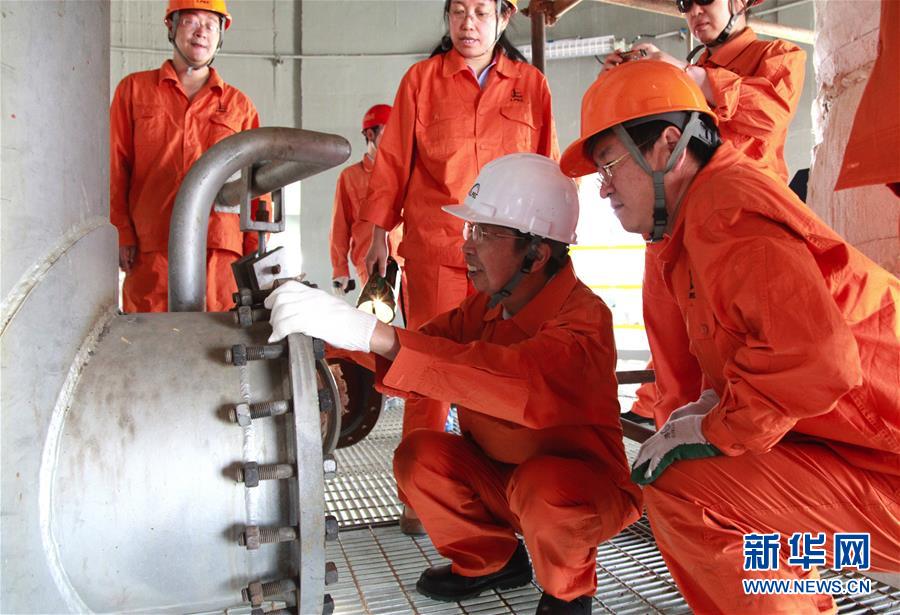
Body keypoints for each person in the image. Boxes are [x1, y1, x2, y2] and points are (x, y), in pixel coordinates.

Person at [560, 59, 899, 614]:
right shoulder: (703, 217)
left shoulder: (728, 213)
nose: (604, 190)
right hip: (869, 452)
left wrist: (714, 429)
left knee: (686, 489)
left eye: (610, 165)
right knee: (734, 476)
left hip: (885, 465)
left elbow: (821, 360)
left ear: (669, 146)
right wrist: (712, 408)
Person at [266, 154, 641, 615]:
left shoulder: (584, 320)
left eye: (485, 234)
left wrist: (371, 331)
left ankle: (568, 591)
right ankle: (493, 560)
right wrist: (333, 351)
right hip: (504, 483)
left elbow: (510, 378)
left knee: (542, 488)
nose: (467, 247)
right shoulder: (484, 308)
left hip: (579, 494)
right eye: (471, 230)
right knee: (419, 455)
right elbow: (424, 350)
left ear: (537, 254)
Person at [361, 0, 559, 448]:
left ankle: (498, 474)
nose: (468, 24)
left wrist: (551, 249)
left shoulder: (531, 85)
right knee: (427, 368)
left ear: (503, 18)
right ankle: (420, 479)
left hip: (510, 256)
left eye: (481, 13)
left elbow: (548, 167)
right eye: (458, 12)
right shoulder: (421, 81)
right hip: (437, 253)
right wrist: (377, 235)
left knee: (505, 370)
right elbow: (392, 164)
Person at [603, 0, 806, 427]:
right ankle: (672, 448)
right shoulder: (682, 72)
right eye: (684, 4)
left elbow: (770, 115)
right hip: (670, 231)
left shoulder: (778, 57)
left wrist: (690, 76)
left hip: (739, 237)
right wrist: (627, 83)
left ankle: (726, 452)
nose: (694, 12)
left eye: (704, 0)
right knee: (674, 370)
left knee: (738, 366)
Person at [110, 0, 263, 312]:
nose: (201, 32)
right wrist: (121, 232)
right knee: (150, 337)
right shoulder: (134, 91)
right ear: (171, 25)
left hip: (221, 253)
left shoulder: (240, 106)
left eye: (211, 25)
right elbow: (114, 166)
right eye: (191, 21)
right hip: (153, 248)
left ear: (221, 35)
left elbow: (258, 183)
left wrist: (254, 250)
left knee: (218, 339)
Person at [329, 104, 403, 295]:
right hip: (370, 266)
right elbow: (340, 227)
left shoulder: (403, 174)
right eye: (388, 133)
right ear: (370, 134)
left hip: (406, 263)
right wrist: (340, 269)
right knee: (377, 313)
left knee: (416, 315)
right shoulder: (350, 177)